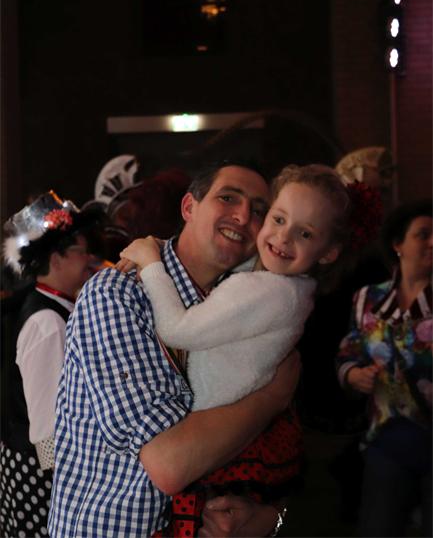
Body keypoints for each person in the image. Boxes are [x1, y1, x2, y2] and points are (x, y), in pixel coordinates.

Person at [48, 159, 303, 538]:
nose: (243, 215)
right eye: (228, 198)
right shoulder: (120, 293)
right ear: (188, 207)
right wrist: (272, 396)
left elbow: (277, 458)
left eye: (259, 210)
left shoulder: (249, 304)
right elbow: (170, 464)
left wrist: (268, 518)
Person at [118, 164, 354, 413]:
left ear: (329, 253)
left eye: (305, 234)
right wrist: (161, 247)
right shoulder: (290, 287)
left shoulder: (268, 292)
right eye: (278, 219)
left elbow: (176, 330)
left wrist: (151, 264)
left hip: (205, 416)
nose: (284, 237)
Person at [0, 191, 103, 538]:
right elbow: (49, 428)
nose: (90, 260)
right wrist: (75, 486)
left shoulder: (51, 308)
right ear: (56, 258)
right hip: (43, 477)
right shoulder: (48, 322)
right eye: (82, 251)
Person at [336, 198, 432, 537]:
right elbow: (348, 352)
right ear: (397, 244)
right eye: (423, 234)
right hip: (387, 443)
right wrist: (353, 375)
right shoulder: (368, 299)